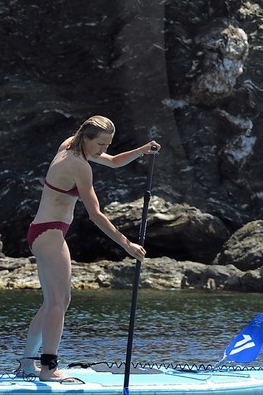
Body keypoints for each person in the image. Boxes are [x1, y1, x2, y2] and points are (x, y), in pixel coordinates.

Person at [18, 116, 159, 380]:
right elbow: (95, 215)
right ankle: (48, 369)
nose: (103, 150)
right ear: (86, 138)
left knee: (53, 302)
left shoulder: (69, 144)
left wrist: (141, 151)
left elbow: (115, 162)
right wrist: (126, 244)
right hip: (50, 234)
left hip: (42, 232)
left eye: (107, 144)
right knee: (59, 303)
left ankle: (27, 364)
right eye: (100, 144)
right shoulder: (79, 166)